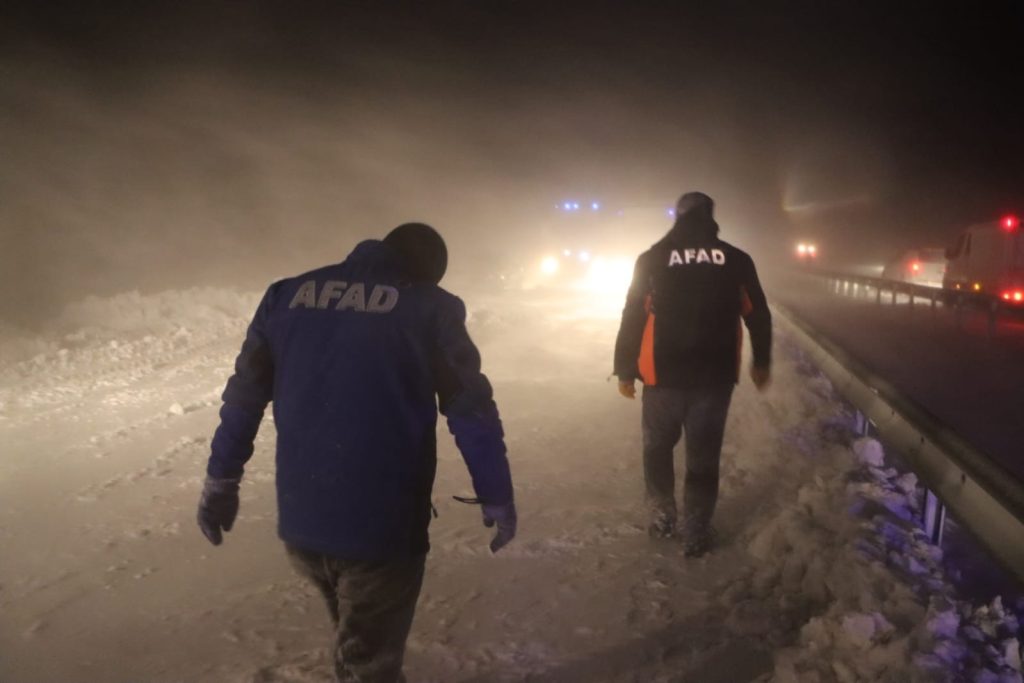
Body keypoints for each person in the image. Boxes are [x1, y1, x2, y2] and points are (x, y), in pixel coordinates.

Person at [196, 223, 516, 683]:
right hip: (381, 530)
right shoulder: (431, 308)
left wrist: (220, 480)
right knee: (370, 664)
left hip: (304, 524)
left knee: (355, 641)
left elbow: (244, 398)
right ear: (426, 271)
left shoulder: (284, 296)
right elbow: (470, 409)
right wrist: (496, 491)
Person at [613, 192, 771, 557]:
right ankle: (696, 529)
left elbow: (633, 315)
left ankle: (662, 515)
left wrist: (624, 369)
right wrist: (761, 361)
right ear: (711, 217)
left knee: (657, 448)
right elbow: (758, 314)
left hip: (661, 376)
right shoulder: (735, 259)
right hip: (713, 379)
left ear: (677, 217)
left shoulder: (652, 259)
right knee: (702, 456)